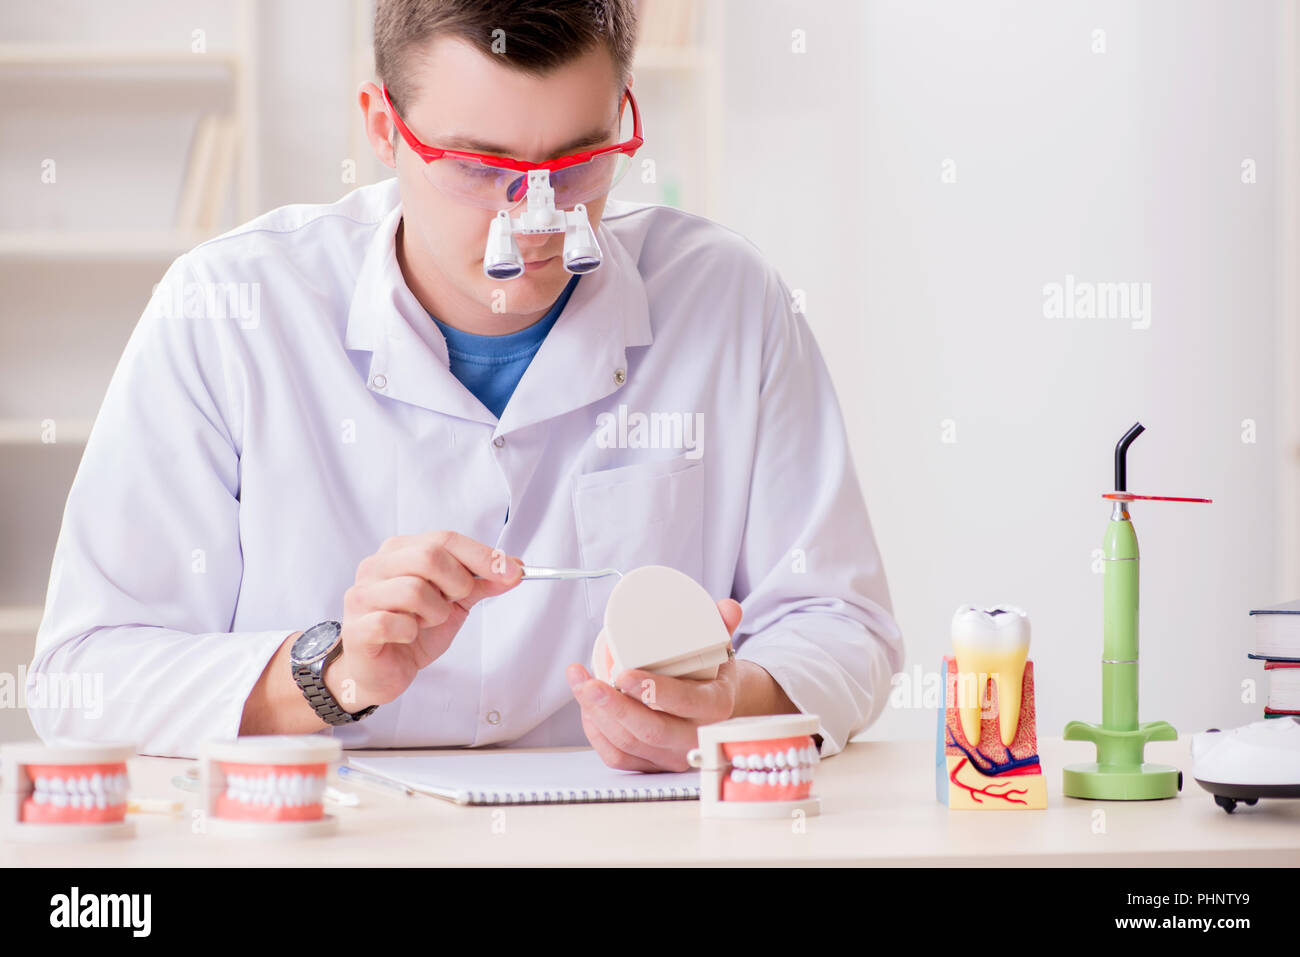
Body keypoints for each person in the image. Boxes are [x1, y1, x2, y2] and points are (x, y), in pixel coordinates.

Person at [27, 0, 903, 769]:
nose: (536, 217)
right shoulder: (227, 311)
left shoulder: (729, 301)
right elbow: (81, 676)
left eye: (578, 162)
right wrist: (331, 673)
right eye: (484, 168)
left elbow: (844, 625)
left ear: (623, 115)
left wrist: (731, 703)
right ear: (380, 126)